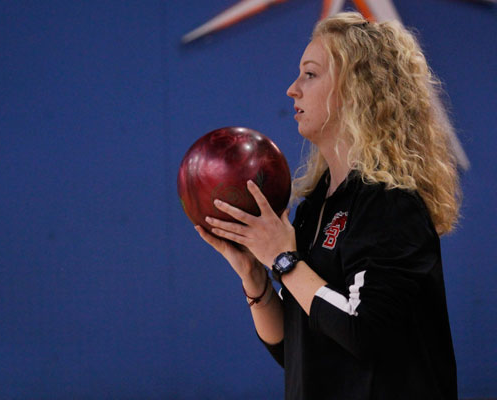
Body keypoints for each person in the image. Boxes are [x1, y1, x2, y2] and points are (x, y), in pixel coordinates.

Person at [195, 12, 460, 400]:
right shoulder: (314, 206)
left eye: (310, 74)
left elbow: (363, 332)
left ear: (356, 90)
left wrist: (285, 260)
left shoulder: (390, 203)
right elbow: (295, 346)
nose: (292, 89)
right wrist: (256, 278)